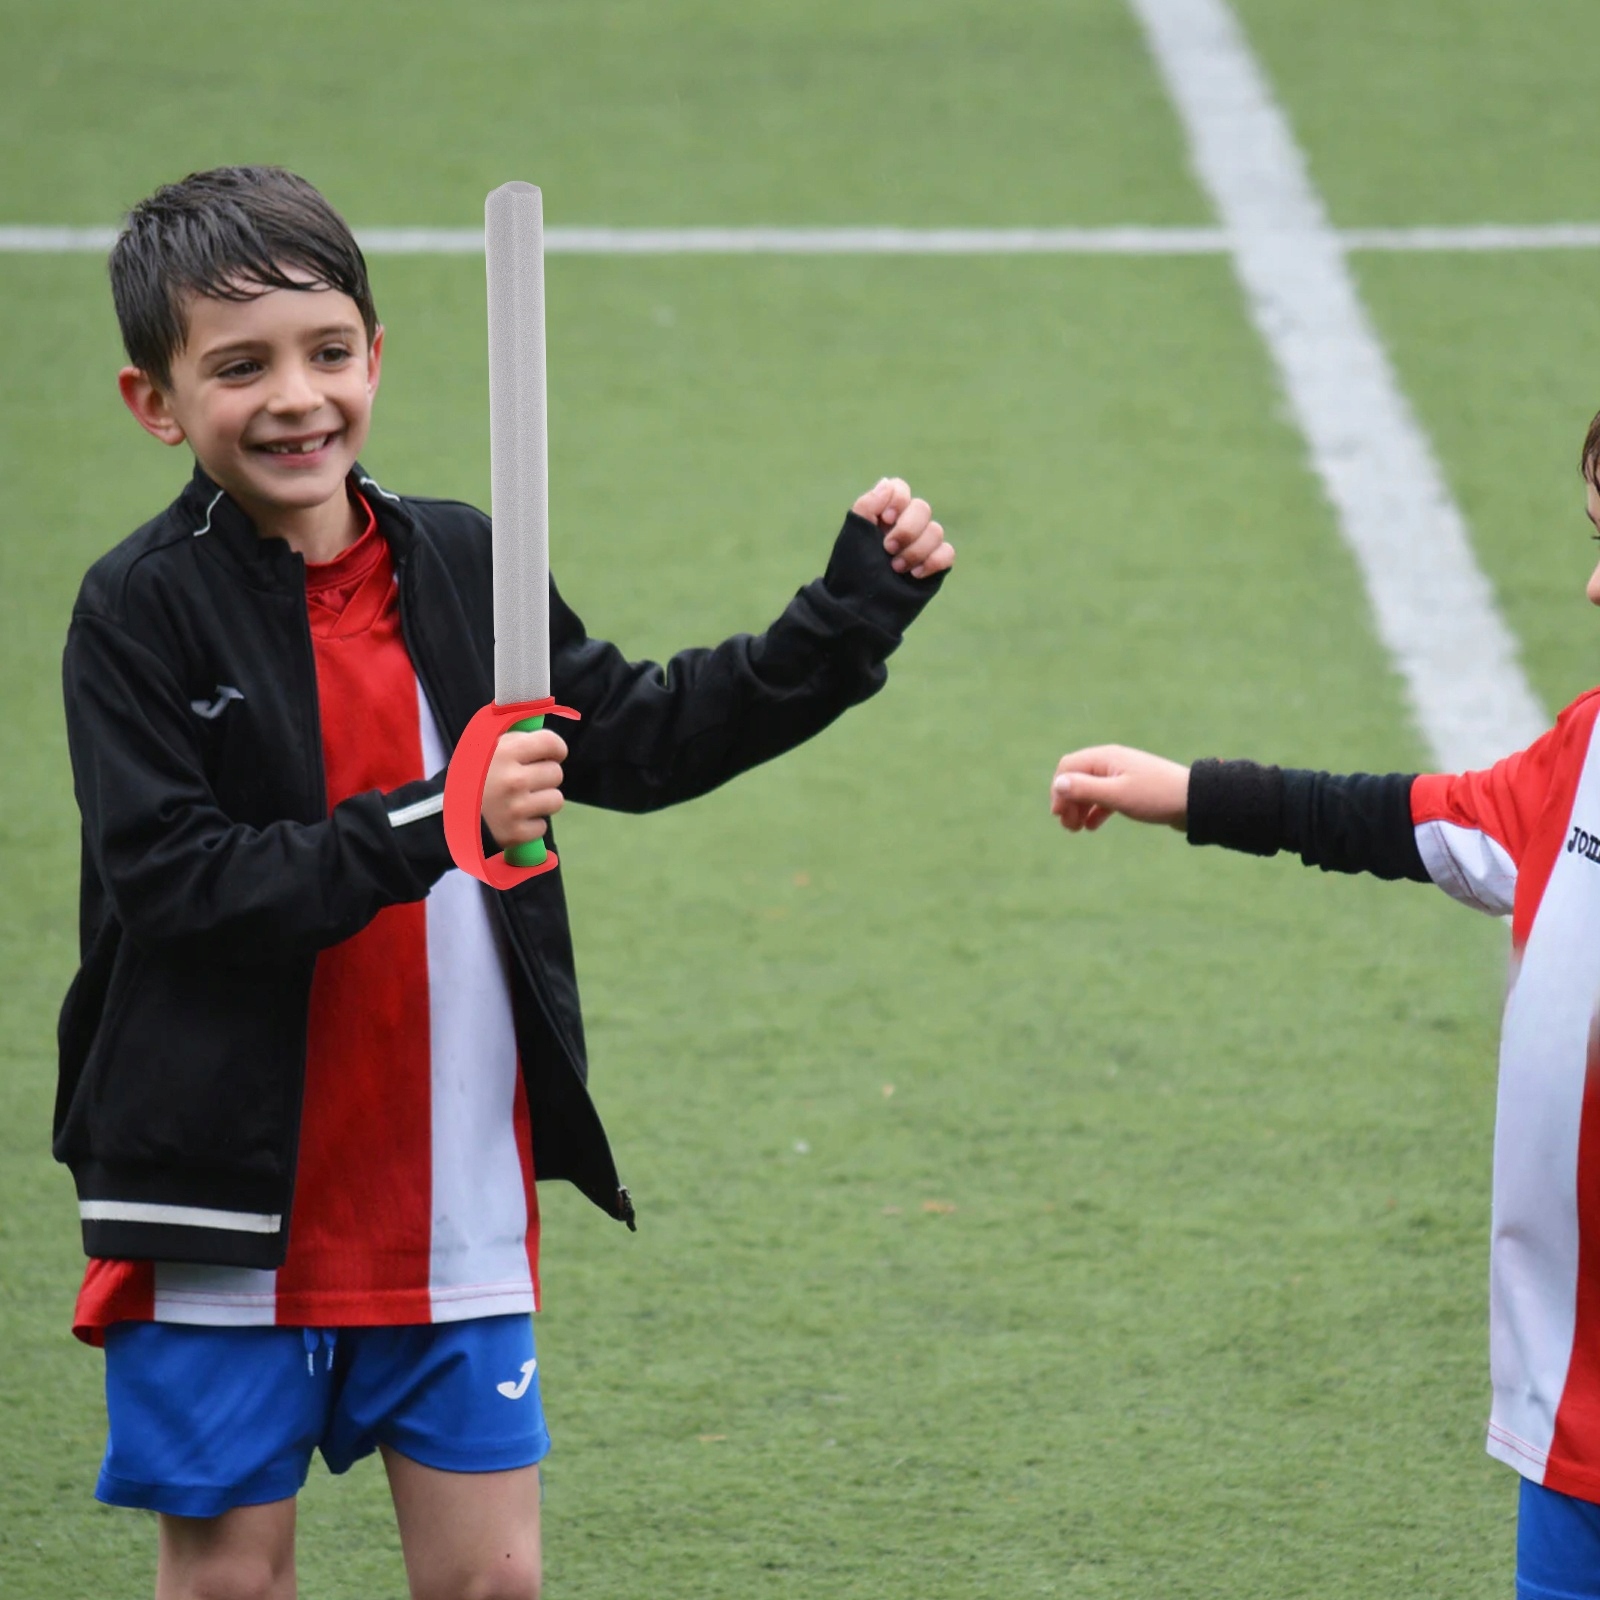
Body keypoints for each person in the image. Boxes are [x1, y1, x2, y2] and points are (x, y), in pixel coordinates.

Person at [56, 164, 955, 1600]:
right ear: (154, 402)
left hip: (450, 1193)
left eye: (327, 352)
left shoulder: (464, 560)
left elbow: (642, 737)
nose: (297, 398)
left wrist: (848, 617)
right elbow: (177, 884)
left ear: (375, 356)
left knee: (493, 1584)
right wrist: (439, 816)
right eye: (240, 367)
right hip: (223, 1204)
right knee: (231, 1583)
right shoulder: (137, 608)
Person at [1048, 411, 1600, 1600]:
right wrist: (1191, 793)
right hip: (1574, 1416)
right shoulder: (1588, 747)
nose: (1594, 587)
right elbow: (1413, 819)